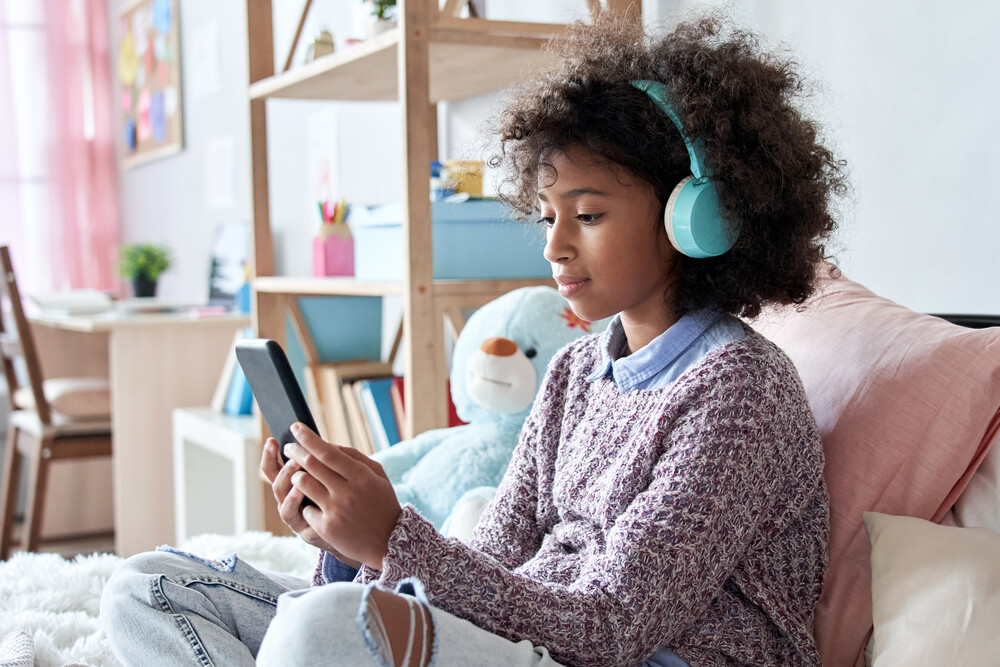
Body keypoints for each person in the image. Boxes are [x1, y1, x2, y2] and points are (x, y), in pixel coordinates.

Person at [101, 12, 845, 667]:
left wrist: (392, 539)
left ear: (696, 219)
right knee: (146, 588)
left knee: (321, 631)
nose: (553, 246)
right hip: (527, 642)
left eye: (587, 215)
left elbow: (614, 626)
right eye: (547, 215)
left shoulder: (741, 393)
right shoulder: (574, 371)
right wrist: (346, 546)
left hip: (628, 655)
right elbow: (492, 564)